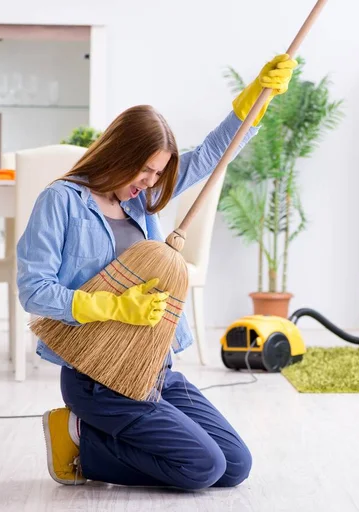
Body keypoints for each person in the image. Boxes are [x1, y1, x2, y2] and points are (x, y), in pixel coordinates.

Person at [16, 54, 298, 489]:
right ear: (117, 154)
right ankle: (80, 440)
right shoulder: (61, 201)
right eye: (145, 169)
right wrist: (107, 305)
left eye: (159, 172)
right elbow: (34, 290)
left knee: (234, 466)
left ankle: (105, 436)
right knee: (203, 468)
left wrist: (252, 105)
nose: (151, 181)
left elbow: (208, 158)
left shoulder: (139, 201)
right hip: (98, 378)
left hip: (154, 369)